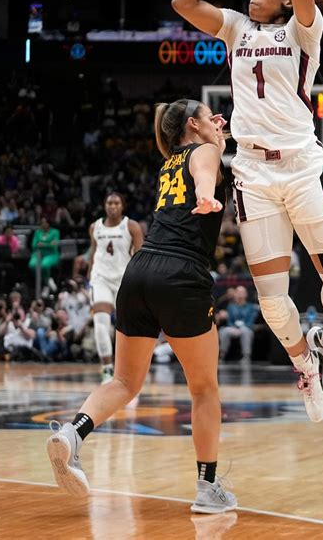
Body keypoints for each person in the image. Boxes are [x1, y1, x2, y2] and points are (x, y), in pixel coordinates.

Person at [171, 0, 323, 423]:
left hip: (302, 166)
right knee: (272, 299)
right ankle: (305, 366)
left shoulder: (305, 32)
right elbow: (183, 2)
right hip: (251, 170)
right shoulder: (235, 28)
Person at [47, 99, 237, 514]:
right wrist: (207, 196)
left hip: (139, 272)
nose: (218, 122)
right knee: (204, 388)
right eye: (211, 116)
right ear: (192, 125)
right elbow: (205, 174)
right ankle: (207, 489)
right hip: (181, 273)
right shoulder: (205, 153)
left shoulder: (168, 163)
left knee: (124, 382)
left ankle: (72, 435)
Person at [88, 193, 143, 383]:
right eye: (109, 203)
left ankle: (126, 368)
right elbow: (93, 253)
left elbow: (140, 256)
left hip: (123, 280)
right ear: (104, 205)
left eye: (116, 203)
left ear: (122, 206)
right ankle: (106, 369)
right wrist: (89, 276)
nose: (112, 206)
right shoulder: (95, 227)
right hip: (100, 278)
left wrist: (139, 282)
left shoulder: (131, 226)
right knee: (101, 325)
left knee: (126, 327)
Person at [28, 217, 60, 289]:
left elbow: (54, 246)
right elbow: (34, 245)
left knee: (44, 265)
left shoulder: (55, 232)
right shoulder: (37, 232)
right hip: (38, 254)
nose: (42, 224)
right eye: (41, 222)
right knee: (32, 265)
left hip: (51, 254)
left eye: (44, 222)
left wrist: (43, 244)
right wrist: (48, 244)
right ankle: (46, 281)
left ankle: (46, 285)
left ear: (48, 224)